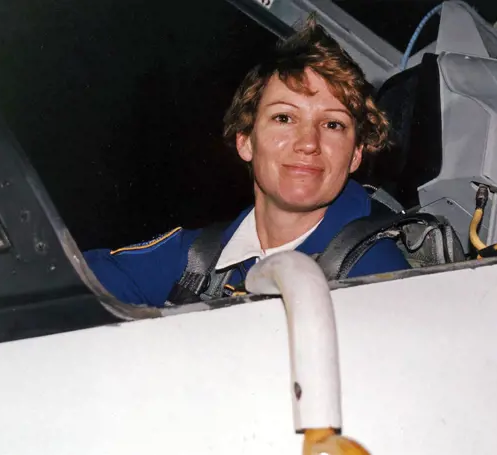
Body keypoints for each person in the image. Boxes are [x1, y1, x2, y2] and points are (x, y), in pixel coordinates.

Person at [83, 17, 410, 307]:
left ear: (355, 154)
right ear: (246, 141)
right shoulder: (197, 259)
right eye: (284, 117)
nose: (309, 143)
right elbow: (70, 283)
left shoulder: (379, 278)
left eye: (333, 124)